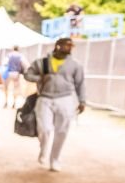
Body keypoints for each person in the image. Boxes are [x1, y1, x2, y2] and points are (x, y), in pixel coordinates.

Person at [23, 37, 87, 171]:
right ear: (58, 46)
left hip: (65, 98)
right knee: (44, 129)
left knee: (62, 131)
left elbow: (80, 83)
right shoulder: (43, 62)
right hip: (44, 98)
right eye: (67, 45)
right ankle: (43, 149)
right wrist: (39, 78)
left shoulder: (75, 65)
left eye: (71, 46)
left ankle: (55, 159)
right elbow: (28, 74)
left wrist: (82, 101)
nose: (70, 48)